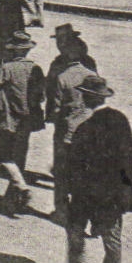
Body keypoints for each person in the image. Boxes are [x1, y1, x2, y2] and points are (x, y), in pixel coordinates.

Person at [62, 74, 132, 263]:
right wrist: (126, 194)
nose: (82, 97)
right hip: (112, 195)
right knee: (112, 242)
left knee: (75, 232)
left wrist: (67, 189)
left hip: (86, 194)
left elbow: (74, 164)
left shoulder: (85, 126)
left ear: (91, 98)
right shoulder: (121, 121)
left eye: (85, 94)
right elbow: (128, 160)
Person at [0, 29, 45, 215]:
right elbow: (41, 95)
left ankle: (21, 189)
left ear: (13, 51)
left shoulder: (6, 68)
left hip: (8, 119)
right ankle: (12, 201)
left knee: (5, 158)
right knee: (19, 159)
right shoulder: (36, 69)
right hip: (27, 120)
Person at [45, 24, 99, 224]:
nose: (59, 45)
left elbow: (52, 95)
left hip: (66, 126)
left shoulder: (61, 67)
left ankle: (61, 211)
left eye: (62, 41)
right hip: (88, 124)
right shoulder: (89, 65)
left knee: (62, 170)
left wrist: (52, 116)